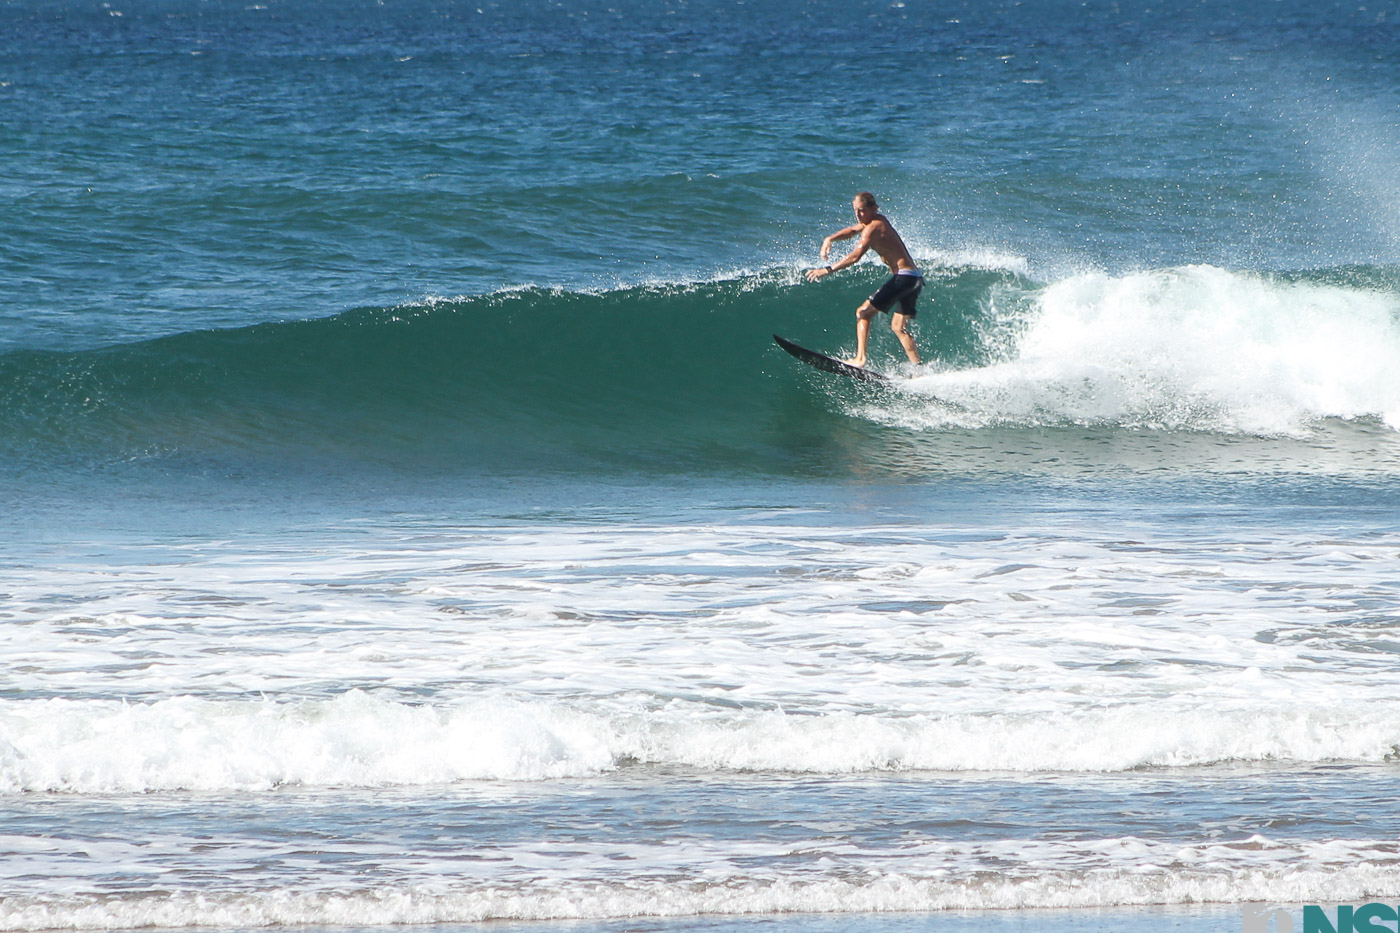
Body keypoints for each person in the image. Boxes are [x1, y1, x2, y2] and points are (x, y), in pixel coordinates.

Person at [804, 192, 922, 368]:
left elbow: (855, 256)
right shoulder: (878, 220)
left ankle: (860, 359)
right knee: (899, 328)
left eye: (861, 210)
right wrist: (830, 239)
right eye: (855, 211)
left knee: (863, 313)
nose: (858, 214)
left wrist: (827, 270)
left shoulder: (873, 228)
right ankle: (918, 368)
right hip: (915, 279)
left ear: (873, 208)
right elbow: (852, 230)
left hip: (903, 278)